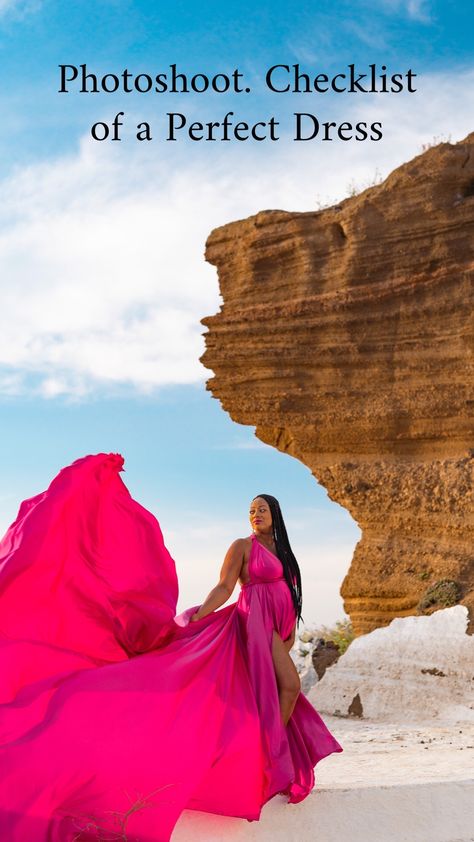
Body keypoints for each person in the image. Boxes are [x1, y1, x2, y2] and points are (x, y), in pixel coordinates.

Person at [0, 453, 343, 842]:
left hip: (276, 630)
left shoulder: (283, 553)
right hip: (252, 626)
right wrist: (200, 619)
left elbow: (290, 594)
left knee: (267, 694)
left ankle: (261, 755)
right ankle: (270, 755)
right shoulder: (241, 547)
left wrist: (290, 631)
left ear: (275, 514)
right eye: (251, 510)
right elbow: (224, 587)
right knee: (290, 687)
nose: (255, 515)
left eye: (261, 510)